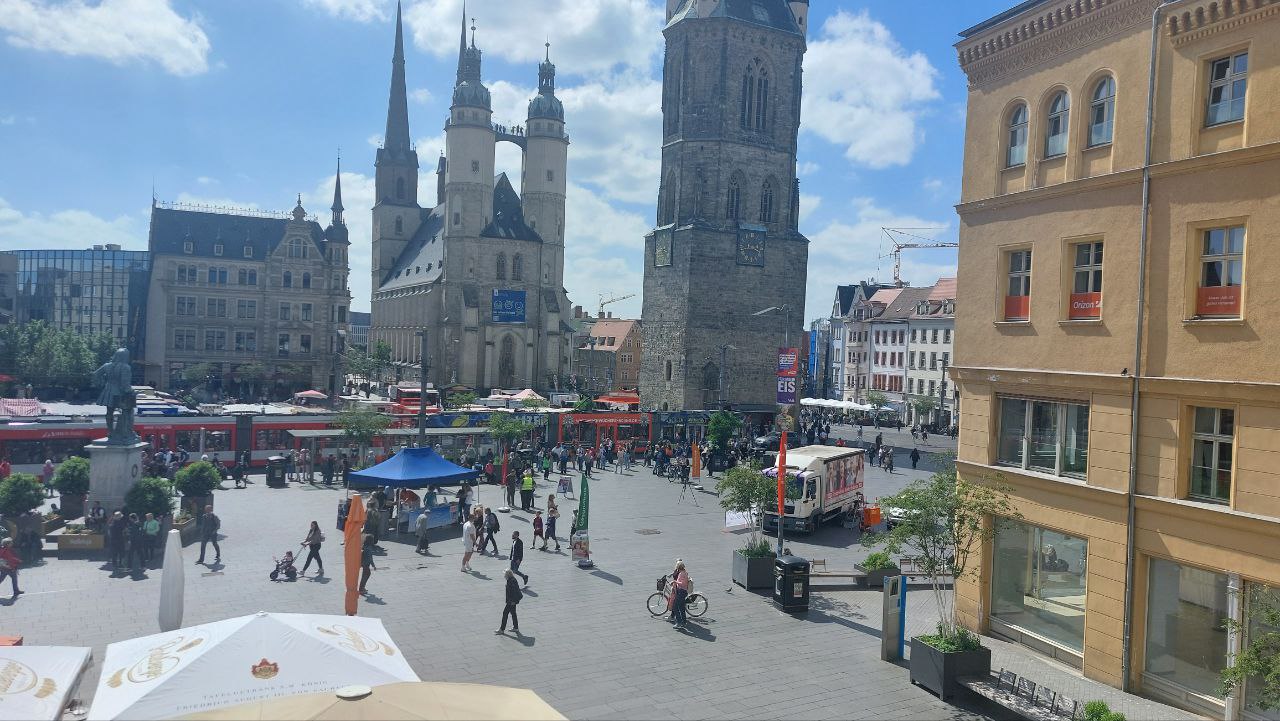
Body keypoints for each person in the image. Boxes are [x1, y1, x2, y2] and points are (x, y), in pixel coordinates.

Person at [495, 568, 523, 635]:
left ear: (507, 575)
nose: (504, 576)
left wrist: (512, 601)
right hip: (513, 600)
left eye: (504, 574)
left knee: (505, 613)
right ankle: (516, 627)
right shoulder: (512, 579)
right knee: (513, 613)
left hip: (511, 601)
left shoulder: (511, 581)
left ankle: (502, 629)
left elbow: (513, 592)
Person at [671, 561, 691, 631]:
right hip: (684, 591)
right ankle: (684, 621)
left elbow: (682, 583)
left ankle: (679, 622)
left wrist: (675, 582)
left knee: (675, 607)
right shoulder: (685, 572)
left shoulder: (681, 574)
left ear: (678, 567)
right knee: (682, 607)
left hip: (681, 592)